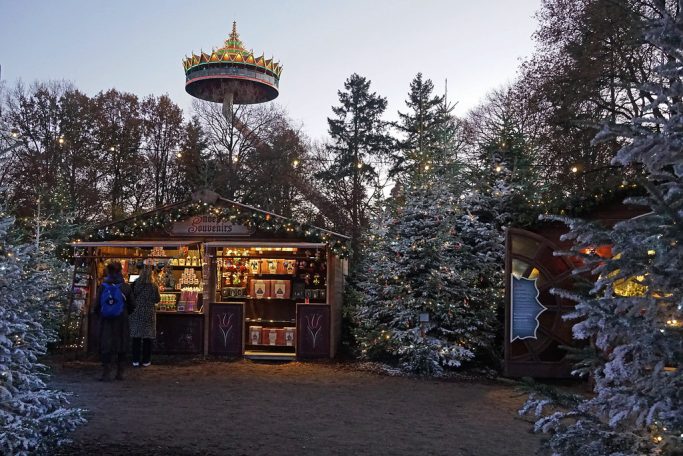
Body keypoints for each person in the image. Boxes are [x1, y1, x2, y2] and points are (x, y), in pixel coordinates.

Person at [95, 261, 134, 381]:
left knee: (106, 346)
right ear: (120, 271)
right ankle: (120, 372)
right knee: (122, 346)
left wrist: (101, 314)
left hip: (106, 321)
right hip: (121, 321)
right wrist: (125, 312)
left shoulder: (103, 286)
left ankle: (106, 372)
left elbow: (96, 305)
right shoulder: (126, 287)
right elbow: (133, 305)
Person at [130, 267, 160, 367]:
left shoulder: (135, 284)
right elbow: (157, 300)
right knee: (147, 338)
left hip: (136, 313)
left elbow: (130, 297)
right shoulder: (154, 286)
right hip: (148, 313)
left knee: (136, 337)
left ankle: (135, 360)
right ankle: (146, 360)